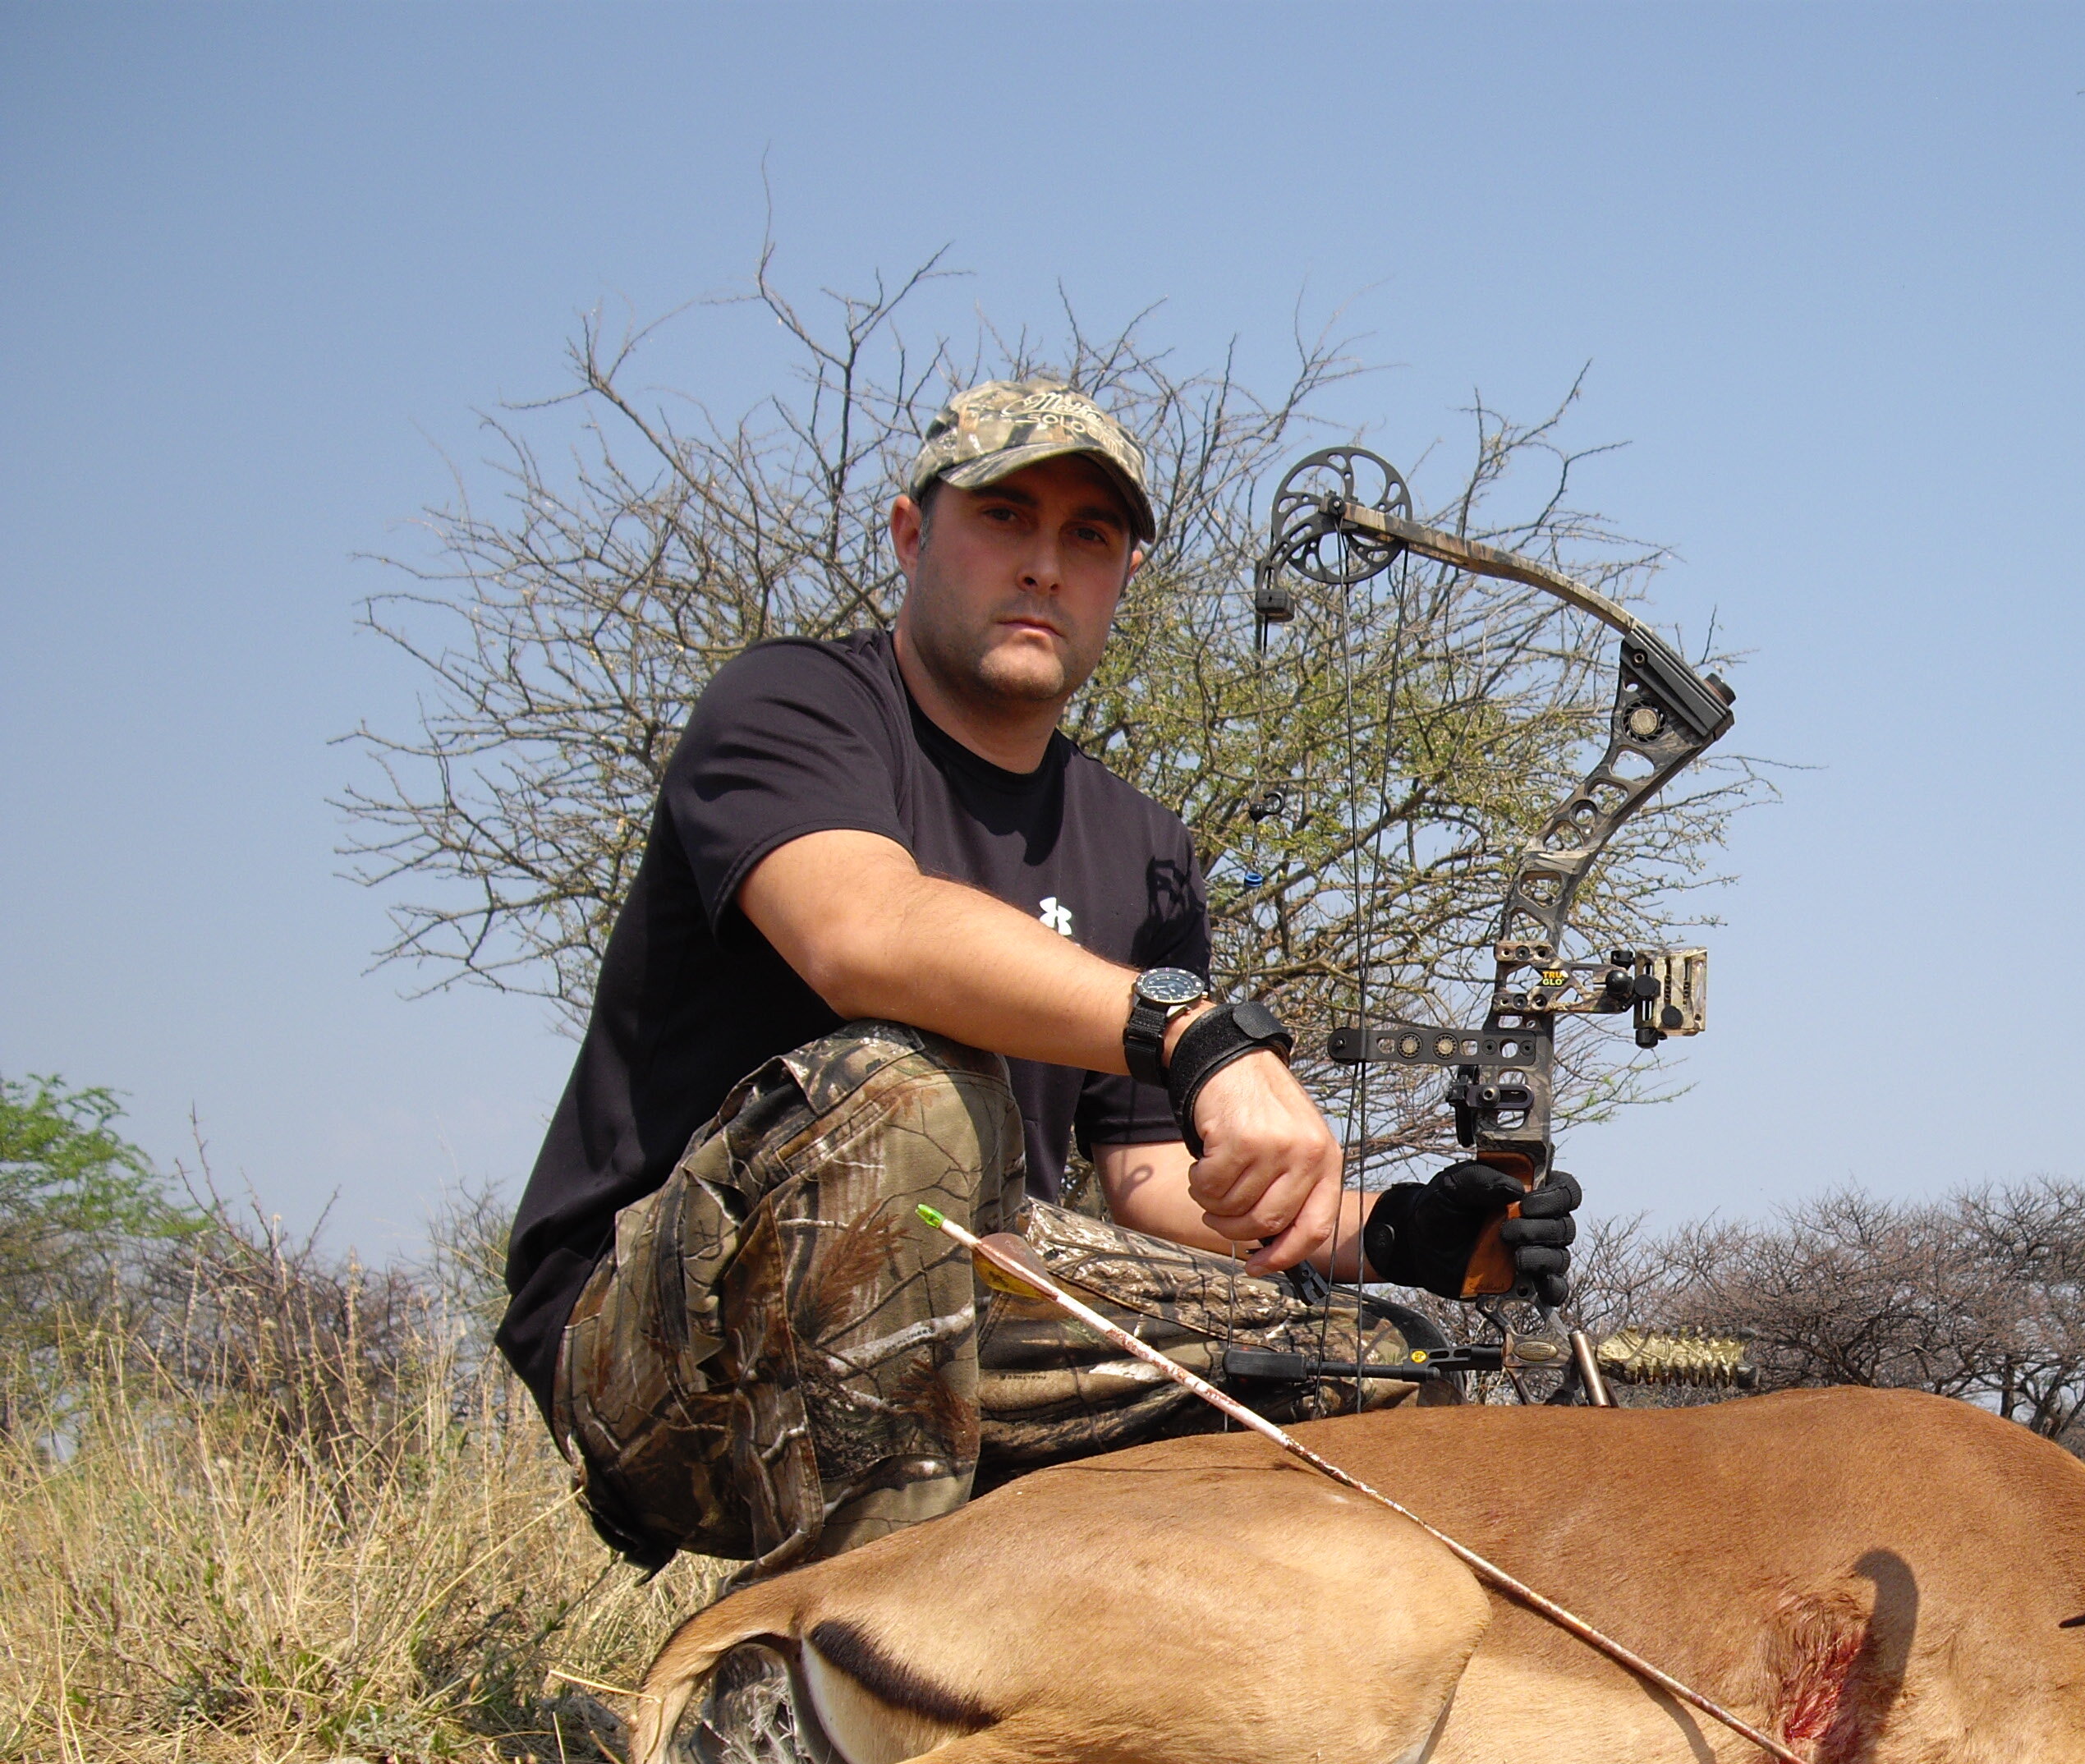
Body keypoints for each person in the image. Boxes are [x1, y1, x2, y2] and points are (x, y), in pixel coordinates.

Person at [497, 377, 1578, 1579]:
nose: (1043, 566)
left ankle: (1173, 1723)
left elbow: (1157, 1182)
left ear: (1123, 581)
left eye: (1089, 536)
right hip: (665, 1348)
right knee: (910, 1093)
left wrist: (1382, 1235)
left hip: (965, 1309)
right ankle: (817, 1668)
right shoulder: (791, 702)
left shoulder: (1144, 844)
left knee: (1373, 1372)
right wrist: (1193, 1034)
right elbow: (864, 931)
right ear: (914, 537)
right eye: (1003, 517)